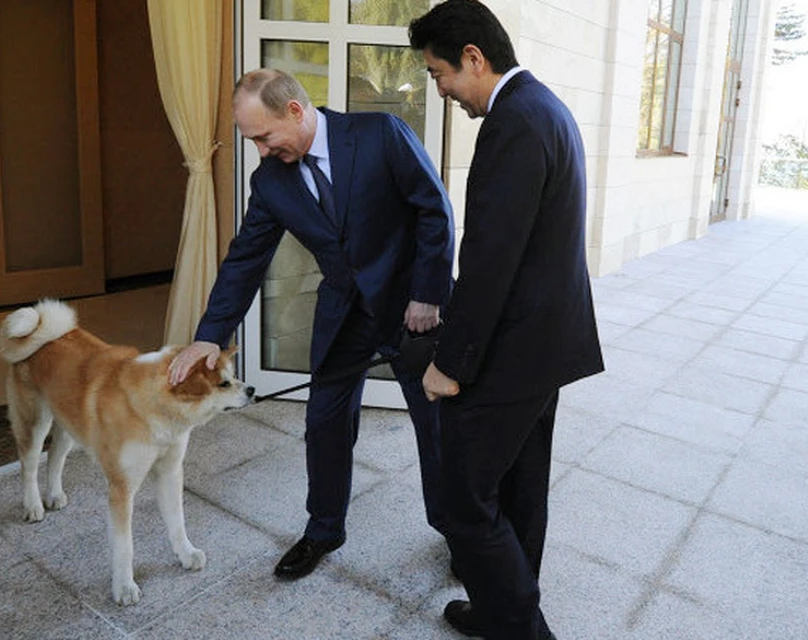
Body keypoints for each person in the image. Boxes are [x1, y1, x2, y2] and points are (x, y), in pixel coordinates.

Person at [168, 69, 455, 580]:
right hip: (344, 314)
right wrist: (210, 334)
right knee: (323, 422)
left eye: (263, 136)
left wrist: (428, 295)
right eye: (252, 139)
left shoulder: (379, 135)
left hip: (411, 309)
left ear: (295, 112)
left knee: (436, 427)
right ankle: (323, 529)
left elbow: (433, 209)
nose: (259, 149)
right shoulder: (271, 181)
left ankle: (459, 532)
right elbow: (245, 259)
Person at [409, 1, 605, 638]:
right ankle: (501, 611)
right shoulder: (543, 106)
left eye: (439, 75)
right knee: (520, 491)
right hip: (544, 345)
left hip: (513, 351)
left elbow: (491, 260)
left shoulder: (513, 122)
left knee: (464, 504)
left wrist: (448, 364)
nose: (440, 92)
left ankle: (519, 628)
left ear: (474, 58)